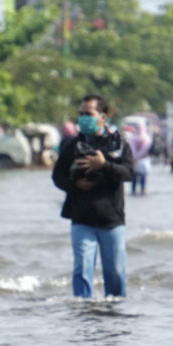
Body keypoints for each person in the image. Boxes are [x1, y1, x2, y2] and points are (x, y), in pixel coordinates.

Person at [51, 94, 134, 298]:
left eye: (88, 114)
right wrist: (75, 184)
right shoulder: (72, 145)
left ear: (102, 117)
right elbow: (57, 176)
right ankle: (83, 315)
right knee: (82, 270)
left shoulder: (118, 144)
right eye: (80, 114)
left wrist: (103, 165)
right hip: (81, 218)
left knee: (115, 272)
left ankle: (115, 314)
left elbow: (129, 173)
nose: (83, 118)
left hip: (111, 220)